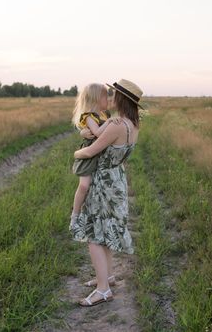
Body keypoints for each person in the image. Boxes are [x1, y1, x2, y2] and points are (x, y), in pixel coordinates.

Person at [70, 79, 144, 307]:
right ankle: (107, 276)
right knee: (107, 230)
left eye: (113, 95)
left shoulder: (114, 125)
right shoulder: (132, 124)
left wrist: (76, 153)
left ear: (120, 99)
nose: (110, 98)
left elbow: (90, 151)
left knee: (94, 235)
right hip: (118, 179)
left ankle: (103, 290)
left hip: (103, 182)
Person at [70, 83, 120, 231]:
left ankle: (93, 216)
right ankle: (74, 215)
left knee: (96, 187)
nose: (109, 99)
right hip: (90, 155)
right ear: (96, 99)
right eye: (106, 96)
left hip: (102, 154)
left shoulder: (106, 114)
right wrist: (110, 122)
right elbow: (98, 133)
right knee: (84, 185)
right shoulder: (90, 117)